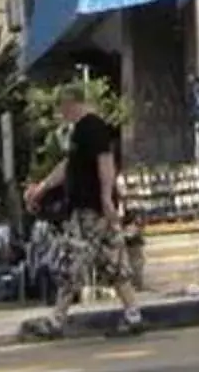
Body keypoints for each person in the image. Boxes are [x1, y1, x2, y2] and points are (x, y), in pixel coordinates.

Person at [25, 91, 142, 339]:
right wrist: (42, 188)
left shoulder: (92, 127)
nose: (62, 114)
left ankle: (56, 321)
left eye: (64, 108)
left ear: (75, 104)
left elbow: (106, 162)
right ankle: (133, 315)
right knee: (113, 262)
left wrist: (106, 197)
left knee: (73, 262)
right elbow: (68, 166)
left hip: (91, 210)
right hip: (92, 209)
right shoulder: (80, 131)